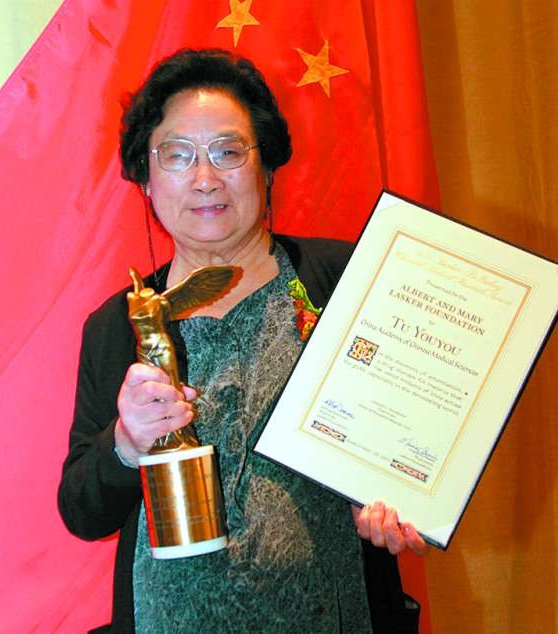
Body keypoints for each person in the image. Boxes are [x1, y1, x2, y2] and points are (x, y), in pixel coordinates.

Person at [58, 48, 427, 634]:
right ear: (147, 180)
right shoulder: (117, 325)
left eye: (228, 152)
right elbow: (82, 510)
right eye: (178, 155)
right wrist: (127, 441)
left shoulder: (348, 280)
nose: (205, 178)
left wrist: (402, 497)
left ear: (267, 167)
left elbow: (413, 429)